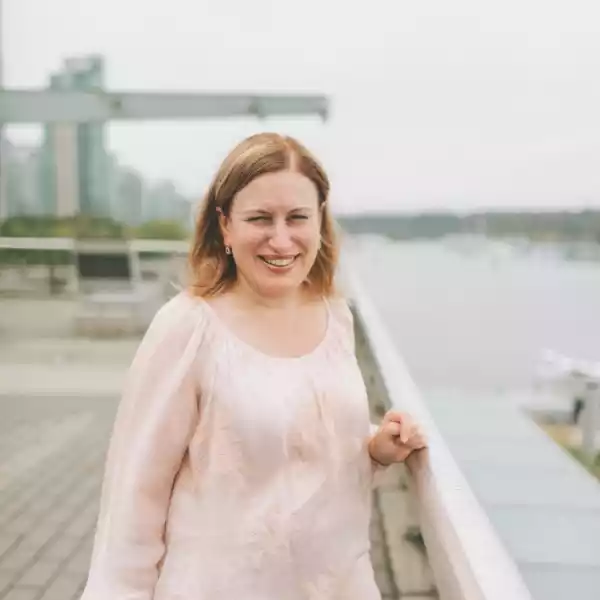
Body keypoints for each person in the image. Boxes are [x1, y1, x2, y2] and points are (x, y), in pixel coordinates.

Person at [80, 132, 427, 600]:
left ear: (320, 221)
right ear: (225, 226)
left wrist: (374, 447)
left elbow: (301, 443)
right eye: (260, 218)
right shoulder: (189, 328)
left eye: (297, 217)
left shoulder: (335, 316)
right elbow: (134, 499)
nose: (280, 239)